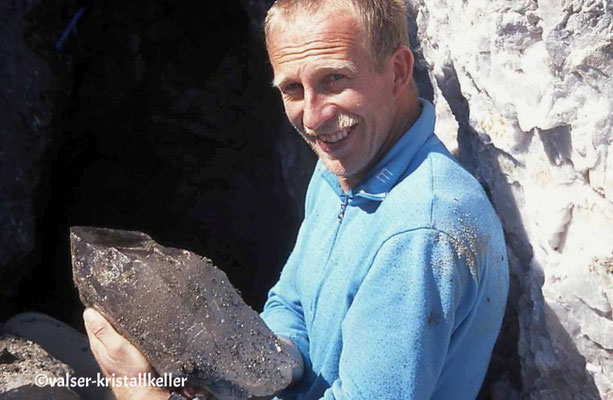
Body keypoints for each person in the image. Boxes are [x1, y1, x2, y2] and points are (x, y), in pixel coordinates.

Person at [83, 0, 509, 399]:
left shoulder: (420, 235)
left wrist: (143, 393)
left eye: (334, 80)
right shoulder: (343, 168)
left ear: (397, 71)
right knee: (37, 329)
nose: (312, 116)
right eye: (292, 89)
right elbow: (293, 302)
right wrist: (260, 365)